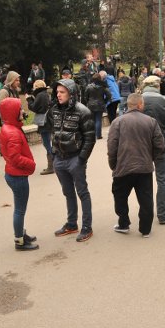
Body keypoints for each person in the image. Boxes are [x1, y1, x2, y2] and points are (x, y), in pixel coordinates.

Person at [108, 94, 165, 237]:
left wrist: (114, 165)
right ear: (140, 105)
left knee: (120, 196)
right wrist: (150, 158)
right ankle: (145, 229)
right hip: (144, 167)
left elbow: (112, 147)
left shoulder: (117, 122)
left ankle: (123, 223)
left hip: (123, 167)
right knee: (145, 199)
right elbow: (160, 144)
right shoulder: (151, 121)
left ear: (128, 105)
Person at [47, 79, 96, 242]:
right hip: (59, 159)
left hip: (75, 159)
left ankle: (87, 227)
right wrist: (54, 154)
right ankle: (71, 224)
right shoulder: (53, 110)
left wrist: (81, 158)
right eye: (57, 92)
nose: (58, 95)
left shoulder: (83, 111)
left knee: (82, 192)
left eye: (62, 92)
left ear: (71, 93)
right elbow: (52, 131)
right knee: (68, 193)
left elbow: (90, 137)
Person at [0, 97, 39, 251]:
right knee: (20, 209)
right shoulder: (13, 133)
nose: (23, 111)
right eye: (19, 109)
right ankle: (20, 241)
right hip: (17, 176)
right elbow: (15, 157)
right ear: (12, 112)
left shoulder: (8, 127)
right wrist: (31, 165)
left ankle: (21, 233)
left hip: (12, 174)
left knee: (19, 208)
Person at [141, 76, 165, 225]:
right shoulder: (164, 100)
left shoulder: (138, 100)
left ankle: (146, 214)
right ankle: (163, 214)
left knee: (144, 180)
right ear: (157, 86)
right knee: (162, 179)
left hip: (142, 144)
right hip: (162, 143)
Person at [26, 80, 54, 175]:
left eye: (34, 87)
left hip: (44, 123)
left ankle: (51, 166)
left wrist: (29, 100)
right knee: (48, 142)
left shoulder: (40, 95)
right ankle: (53, 164)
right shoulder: (44, 94)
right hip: (48, 121)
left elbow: (34, 107)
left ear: (37, 86)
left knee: (46, 143)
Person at [84, 72, 110, 140]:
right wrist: (105, 101)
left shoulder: (89, 86)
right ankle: (98, 135)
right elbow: (109, 95)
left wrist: (88, 102)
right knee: (98, 120)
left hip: (91, 105)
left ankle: (92, 135)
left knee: (92, 120)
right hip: (100, 104)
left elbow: (85, 96)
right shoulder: (103, 86)